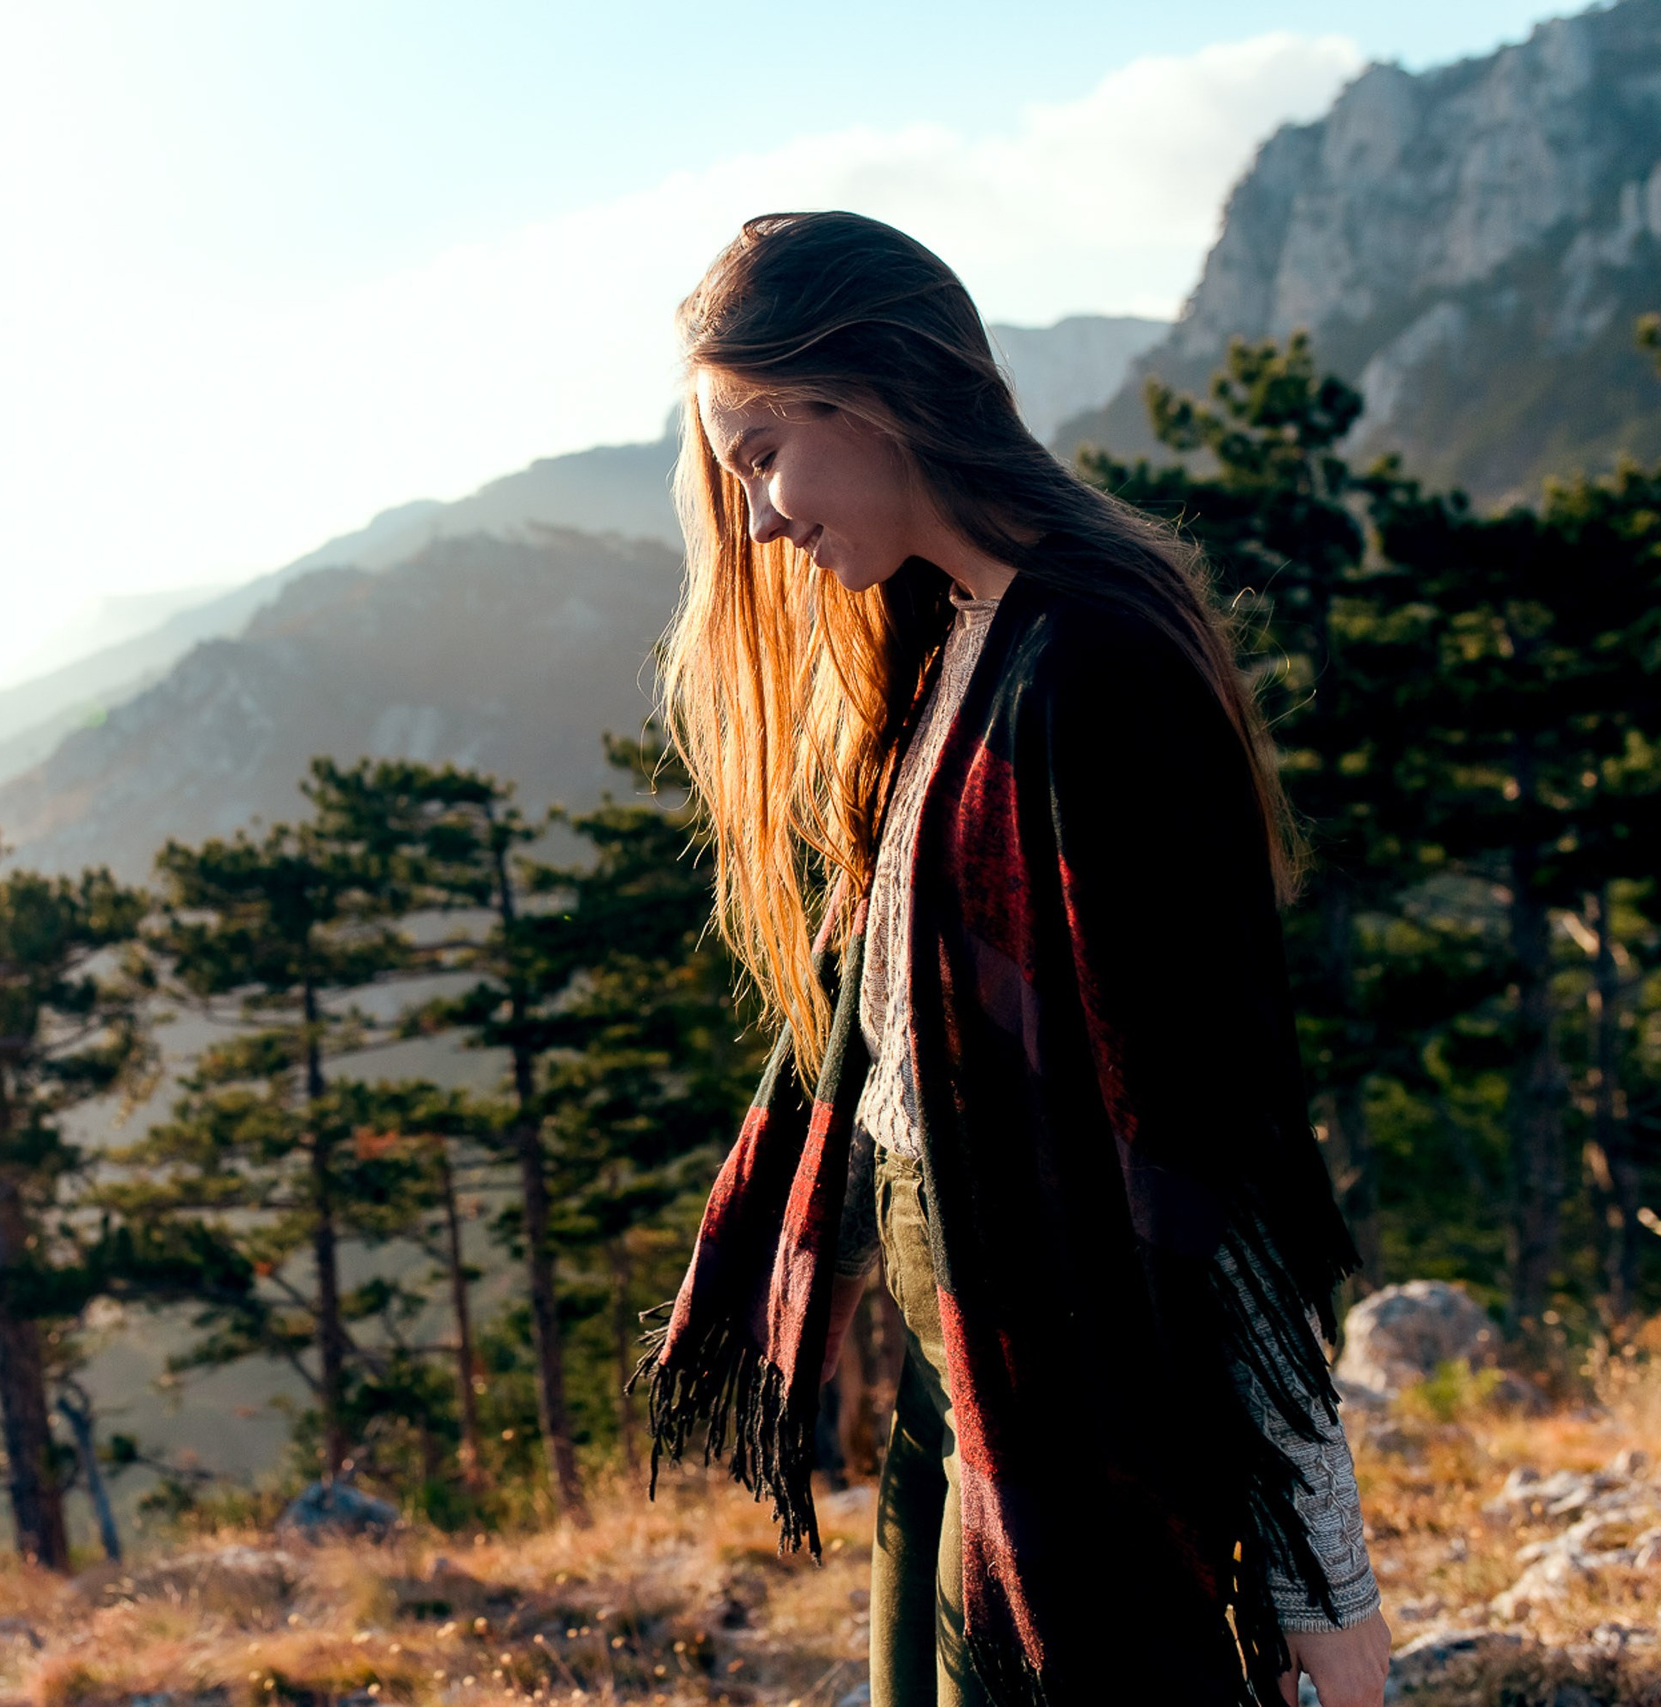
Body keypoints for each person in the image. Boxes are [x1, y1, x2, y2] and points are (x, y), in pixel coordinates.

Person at [639, 212, 1391, 1707]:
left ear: (876, 397)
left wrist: (1326, 1581)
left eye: (765, 453)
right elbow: (897, 1045)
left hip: (1081, 1404)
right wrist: (860, 1259)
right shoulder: (952, 639)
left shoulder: (1094, 670)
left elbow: (1215, 1156)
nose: (768, 521)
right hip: (971, 1371)